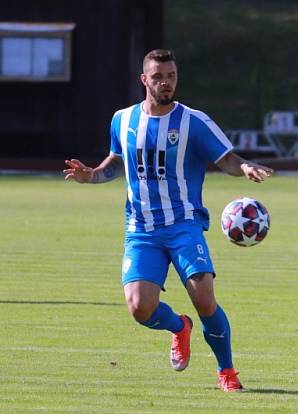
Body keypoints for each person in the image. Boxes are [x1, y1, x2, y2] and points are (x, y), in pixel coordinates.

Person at [63, 49, 274, 392]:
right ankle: (179, 327)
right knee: (139, 308)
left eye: (171, 76)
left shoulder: (194, 122)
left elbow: (227, 159)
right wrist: (93, 176)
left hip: (183, 225)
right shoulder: (123, 119)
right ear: (144, 80)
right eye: (159, 76)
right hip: (141, 229)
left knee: (204, 299)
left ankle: (227, 372)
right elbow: (116, 162)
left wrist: (245, 167)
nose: (166, 83)